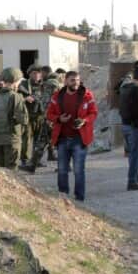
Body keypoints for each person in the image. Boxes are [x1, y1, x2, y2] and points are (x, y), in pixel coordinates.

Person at [46, 70, 98, 202]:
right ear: (66, 81)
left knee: (78, 170)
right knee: (62, 170)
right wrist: (59, 119)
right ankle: (63, 197)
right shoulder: (57, 96)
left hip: (79, 139)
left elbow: (93, 113)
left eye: (78, 80)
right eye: (73, 80)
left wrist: (84, 121)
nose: (76, 83)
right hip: (62, 139)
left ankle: (79, 198)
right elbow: (49, 114)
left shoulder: (87, 95)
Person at [0, 68, 29, 169]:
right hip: (12, 140)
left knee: (0, 171)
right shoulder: (16, 96)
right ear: (15, 80)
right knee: (11, 172)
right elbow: (24, 120)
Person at [118, 64, 138, 190]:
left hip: (125, 125)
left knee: (132, 154)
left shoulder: (125, 86)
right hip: (135, 127)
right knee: (136, 155)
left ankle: (136, 177)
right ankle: (132, 181)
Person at [31, 65, 60, 169]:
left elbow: (48, 102)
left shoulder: (50, 84)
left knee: (51, 141)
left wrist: (47, 116)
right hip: (51, 117)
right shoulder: (52, 83)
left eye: (41, 73)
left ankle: (33, 164)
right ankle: (33, 164)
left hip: (51, 118)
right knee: (43, 141)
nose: (40, 75)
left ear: (45, 73)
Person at [18, 67, 46, 172]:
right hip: (28, 116)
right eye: (34, 73)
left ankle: (36, 160)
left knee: (39, 140)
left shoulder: (44, 85)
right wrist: (25, 98)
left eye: (38, 73)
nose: (36, 75)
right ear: (29, 74)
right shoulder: (24, 85)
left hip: (40, 116)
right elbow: (16, 97)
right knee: (26, 139)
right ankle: (25, 160)